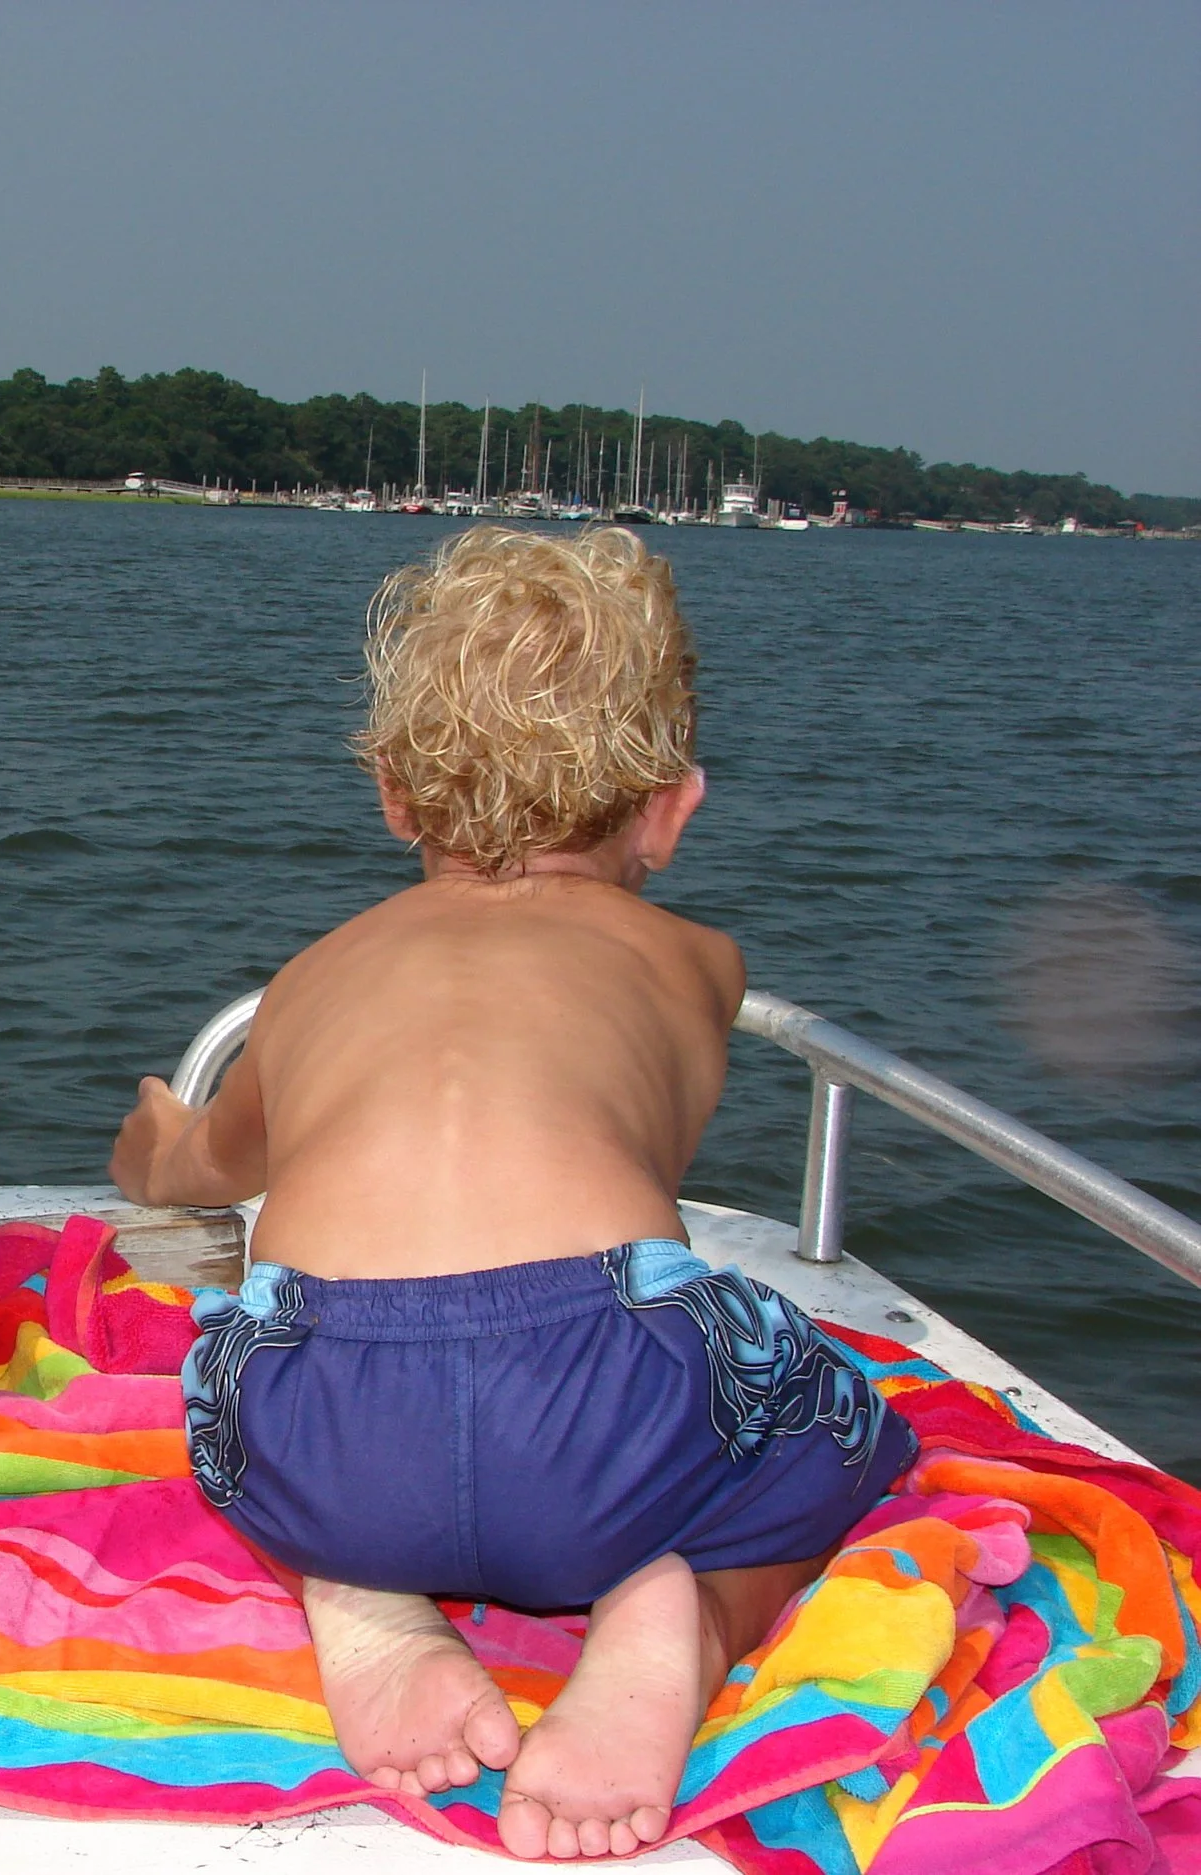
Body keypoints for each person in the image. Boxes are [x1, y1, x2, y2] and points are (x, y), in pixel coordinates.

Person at [107, 527, 912, 1862]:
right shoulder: (694, 962)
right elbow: (623, 1210)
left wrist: (156, 1145)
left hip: (327, 1417)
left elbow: (208, 1172)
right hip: (607, 1405)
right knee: (841, 1423)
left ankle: (357, 1586)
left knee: (231, 1386)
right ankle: (683, 1614)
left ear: (392, 795)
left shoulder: (309, 980)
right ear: (672, 809)